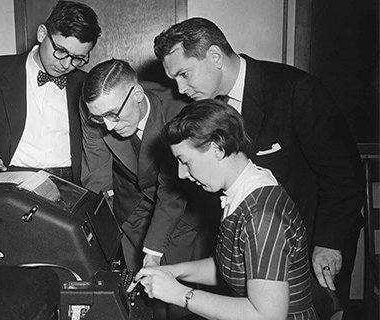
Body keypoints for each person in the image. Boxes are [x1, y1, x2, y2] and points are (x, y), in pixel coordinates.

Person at [153, 17, 365, 309]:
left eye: (184, 74)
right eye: (173, 79)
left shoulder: (296, 90)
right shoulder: (203, 109)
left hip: (313, 242)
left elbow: (343, 176)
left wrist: (330, 242)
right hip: (252, 251)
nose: (180, 88)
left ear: (214, 56)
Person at [134, 99, 318, 320]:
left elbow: (268, 316)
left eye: (185, 161)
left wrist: (180, 294)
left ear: (217, 149)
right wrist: (174, 271)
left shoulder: (261, 217)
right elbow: (233, 267)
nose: (181, 174)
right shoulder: (244, 190)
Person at [81, 59, 219, 277]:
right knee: (140, 287)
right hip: (130, 204)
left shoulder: (180, 111)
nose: (107, 126)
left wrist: (153, 251)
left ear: (137, 94)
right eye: (99, 118)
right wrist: (104, 225)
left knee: (177, 285)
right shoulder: (97, 108)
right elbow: (96, 171)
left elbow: (171, 191)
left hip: (182, 204)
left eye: (113, 115)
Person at [0, 1, 101, 185]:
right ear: (42, 34)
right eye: (60, 51)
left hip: (69, 184)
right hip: (8, 179)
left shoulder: (86, 84)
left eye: (78, 58)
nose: (66, 65)